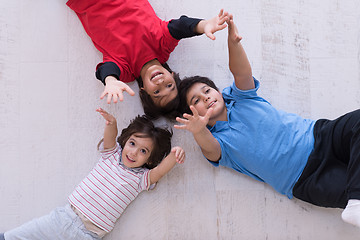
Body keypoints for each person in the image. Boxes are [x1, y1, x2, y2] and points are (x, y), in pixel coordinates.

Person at [174, 13, 360, 228]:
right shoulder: (219, 143)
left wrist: (233, 43)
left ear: (218, 91)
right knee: (346, 189)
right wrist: (198, 131)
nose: (205, 97)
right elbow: (209, 147)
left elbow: (241, 72)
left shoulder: (241, 98)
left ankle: (356, 199)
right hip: (305, 178)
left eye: (207, 90)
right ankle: (355, 199)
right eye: (196, 100)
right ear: (192, 113)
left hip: (321, 136)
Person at [1, 109, 185, 240]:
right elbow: (110, 139)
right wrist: (112, 123)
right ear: (125, 141)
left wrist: (174, 155)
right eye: (132, 143)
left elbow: (159, 172)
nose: (134, 152)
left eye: (144, 151)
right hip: (63, 217)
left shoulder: (141, 179)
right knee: (15, 236)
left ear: (150, 160)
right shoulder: (111, 155)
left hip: (90, 235)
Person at [66, 0, 229, 119]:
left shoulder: (127, 70)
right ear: (172, 74)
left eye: (157, 92)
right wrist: (203, 25)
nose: (161, 83)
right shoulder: (162, 47)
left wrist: (110, 80)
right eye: (169, 85)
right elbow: (179, 27)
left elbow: (108, 68)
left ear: (143, 90)